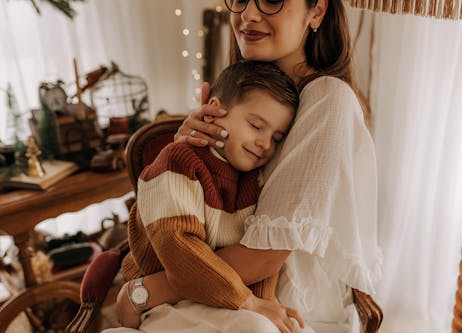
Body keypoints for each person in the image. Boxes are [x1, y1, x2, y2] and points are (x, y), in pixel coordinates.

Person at [116, 0, 382, 332]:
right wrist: (188, 151)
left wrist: (143, 292)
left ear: (316, 11)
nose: (249, 15)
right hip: (210, 295)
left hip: (285, 306)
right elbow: (188, 221)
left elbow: (263, 257)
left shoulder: (328, 99)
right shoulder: (241, 92)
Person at [106, 60, 303, 332]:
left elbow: (262, 262)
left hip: (225, 299)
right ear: (212, 112)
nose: (265, 144)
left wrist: (263, 304)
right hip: (169, 302)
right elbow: (181, 252)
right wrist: (249, 303)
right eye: (257, 126)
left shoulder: (254, 179)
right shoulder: (178, 162)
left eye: (277, 137)